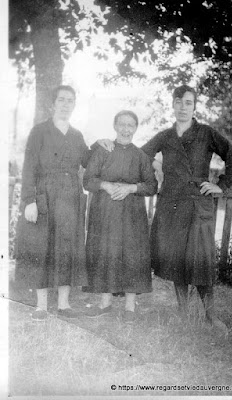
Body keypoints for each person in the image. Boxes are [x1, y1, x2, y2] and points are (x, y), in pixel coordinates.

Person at [141, 84, 232, 332]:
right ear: (173, 105)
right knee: (177, 259)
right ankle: (183, 312)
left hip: (198, 204)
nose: (183, 107)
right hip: (172, 202)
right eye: (179, 102)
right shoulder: (165, 135)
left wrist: (221, 185)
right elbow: (142, 154)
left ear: (194, 106)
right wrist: (157, 166)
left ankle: (210, 316)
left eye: (188, 102)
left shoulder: (206, 133)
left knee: (200, 259)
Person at [15, 85, 113, 321]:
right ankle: (41, 306)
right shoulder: (39, 131)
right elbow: (29, 168)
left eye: (70, 100)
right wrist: (29, 201)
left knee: (67, 248)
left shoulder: (76, 134)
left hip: (70, 196)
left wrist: (98, 144)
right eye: (61, 100)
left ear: (74, 105)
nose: (66, 104)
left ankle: (64, 305)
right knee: (42, 247)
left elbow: (87, 160)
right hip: (45, 195)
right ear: (53, 103)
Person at [83, 110, 158, 322]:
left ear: (135, 129)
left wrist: (131, 188)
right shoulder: (103, 151)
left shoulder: (141, 156)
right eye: (122, 125)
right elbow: (88, 180)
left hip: (132, 214)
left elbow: (152, 185)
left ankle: (129, 307)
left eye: (130, 125)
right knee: (106, 251)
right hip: (104, 211)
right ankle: (105, 303)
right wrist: (106, 185)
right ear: (115, 126)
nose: (126, 129)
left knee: (132, 254)